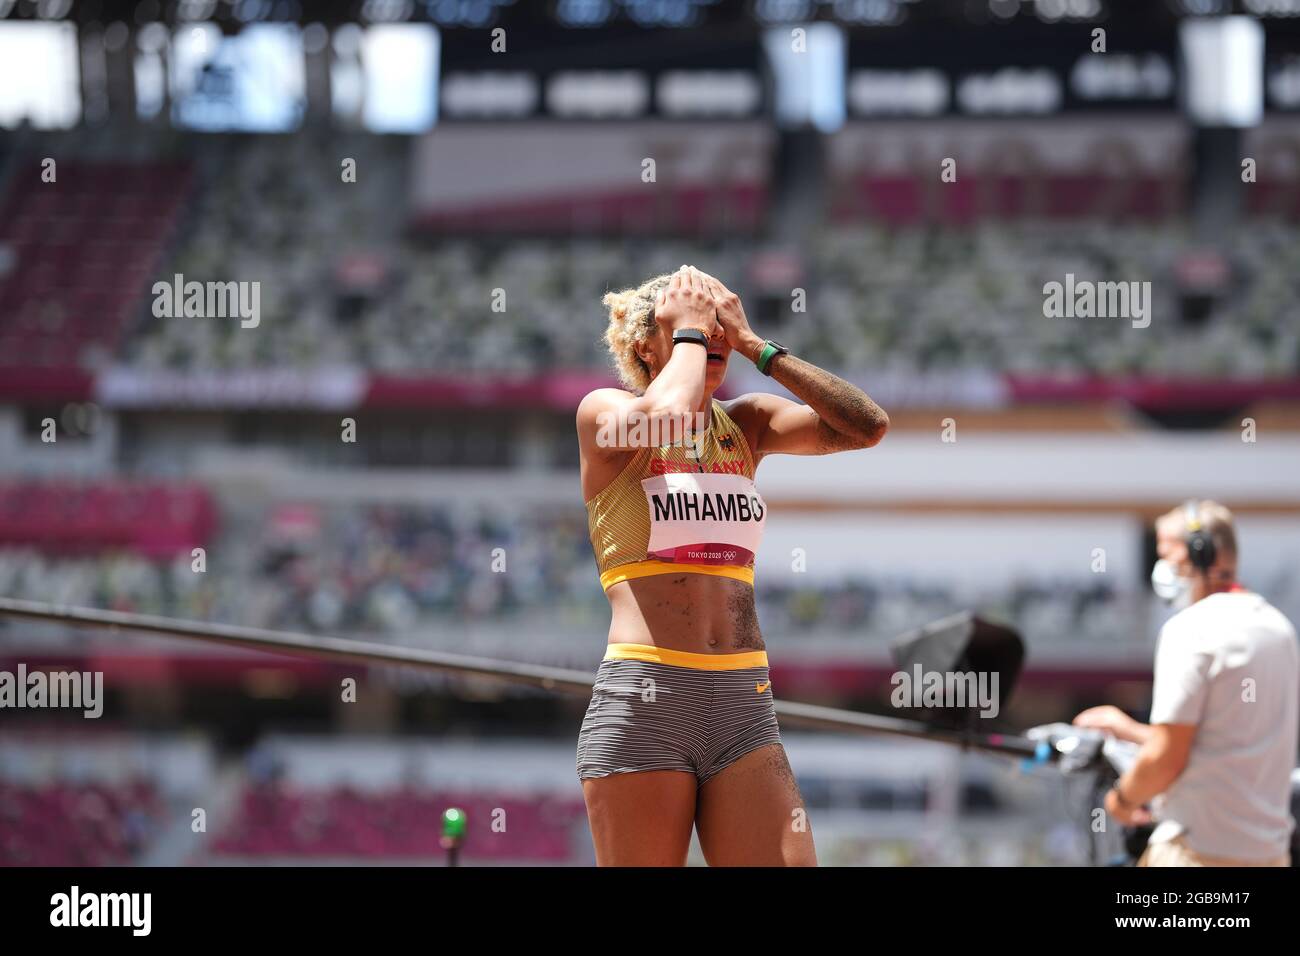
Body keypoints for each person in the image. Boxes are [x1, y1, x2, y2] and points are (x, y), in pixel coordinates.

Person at [574, 265, 889, 865]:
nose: (708, 333)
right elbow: (669, 413)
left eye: (716, 324)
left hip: (743, 698)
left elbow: (866, 427)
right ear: (646, 345)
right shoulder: (605, 413)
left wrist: (758, 347)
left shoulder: (745, 423)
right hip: (646, 695)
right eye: (689, 325)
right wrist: (692, 335)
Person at [1074, 500, 1299, 866]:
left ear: (1200, 552)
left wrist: (1122, 800)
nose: (1161, 567)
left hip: (1196, 853)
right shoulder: (1280, 629)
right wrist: (1131, 730)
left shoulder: (1190, 629)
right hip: (1270, 854)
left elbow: (1166, 760)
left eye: (1165, 553)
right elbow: (1226, 745)